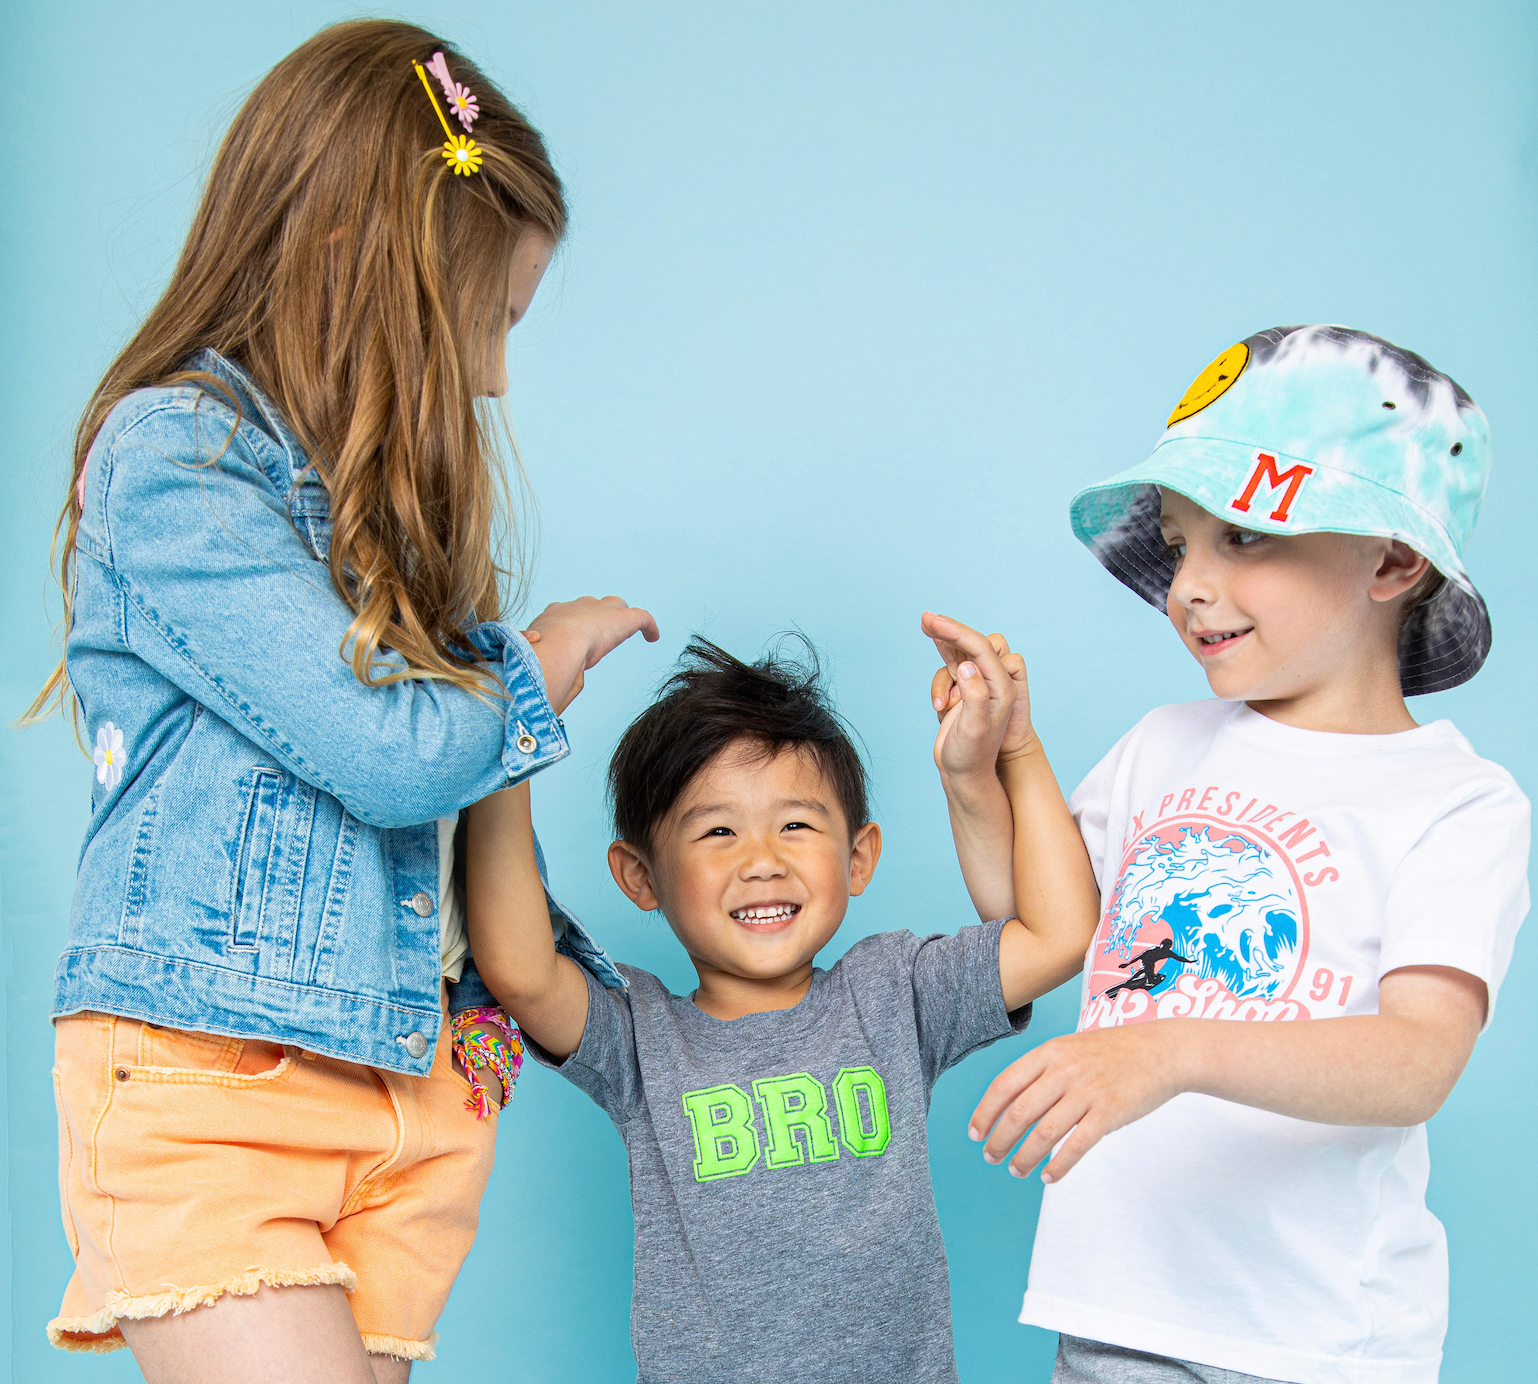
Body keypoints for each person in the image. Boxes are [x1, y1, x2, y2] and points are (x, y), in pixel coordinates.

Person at [31, 20, 656, 1380]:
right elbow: (388, 755)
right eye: (486, 318)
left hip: (400, 1095)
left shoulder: (375, 521)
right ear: (354, 263)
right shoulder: (178, 458)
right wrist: (530, 665)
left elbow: (436, 816)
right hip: (217, 1081)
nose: (493, 373)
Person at [944, 326, 1531, 1384]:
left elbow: (1416, 1059)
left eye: (1244, 539)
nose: (1186, 586)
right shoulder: (1162, 744)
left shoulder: (1455, 801)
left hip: (1310, 1339)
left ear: (1390, 560)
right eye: (1178, 544)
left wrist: (1165, 1050)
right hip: (1118, 1306)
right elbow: (1039, 925)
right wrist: (987, 768)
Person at [462, 634, 1099, 1383]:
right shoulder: (640, 1036)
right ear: (641, 877)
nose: (762, 859)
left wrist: (1009, 753)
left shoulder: (894, 993)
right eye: (718, 831)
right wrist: (509, 731)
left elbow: (1058, 935)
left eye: (795, 824)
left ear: (858, 858)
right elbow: (520, 971)